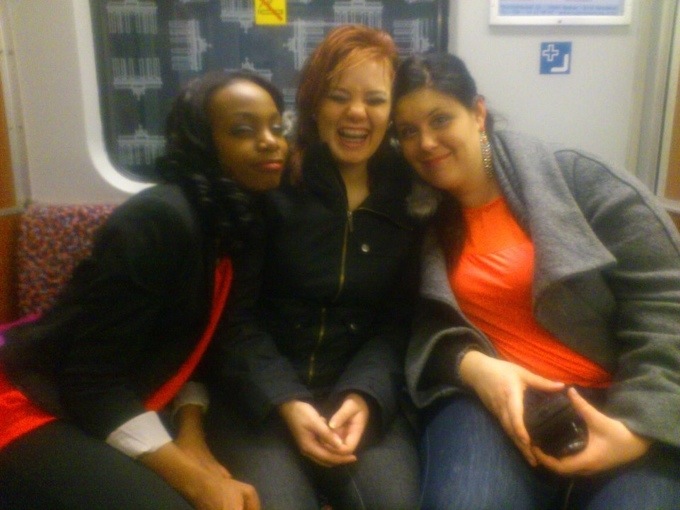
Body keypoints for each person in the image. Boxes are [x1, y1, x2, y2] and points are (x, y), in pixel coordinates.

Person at [391, 52, 680, 510]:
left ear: (478, 112)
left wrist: (637, 429)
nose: (426, 142)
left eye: (440, 119)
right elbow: (420, 324)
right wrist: (474, 367)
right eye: (408, 131)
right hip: (496, 402)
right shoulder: (419, 214)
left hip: (621, 397)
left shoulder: (579, 179)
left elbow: (666, 302)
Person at [0, 69, 290, 510]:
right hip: (32, 401)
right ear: (202, 143)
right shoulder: (158, 220)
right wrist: (196, 482)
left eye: (277, 127)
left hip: (121, 397)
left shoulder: (236, 224)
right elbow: (90, 380)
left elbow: (195, 350)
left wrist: (192, 436)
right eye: (242, 130)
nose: (271, 142)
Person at [206, 24, 422, 509]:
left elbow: (398, 324)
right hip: (261, 399)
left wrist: (364, 395)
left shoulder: (409, 198)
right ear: (313, 105)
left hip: (356, 394)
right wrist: (286, 400)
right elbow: (234, 320)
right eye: (338, 96)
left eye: (375, 100)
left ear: (392, 112)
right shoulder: (272, 185)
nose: (356, 113)